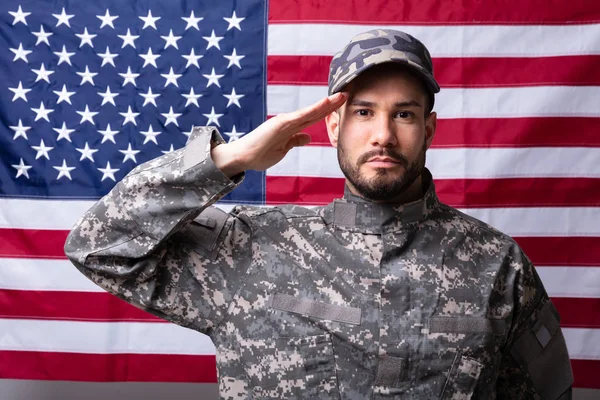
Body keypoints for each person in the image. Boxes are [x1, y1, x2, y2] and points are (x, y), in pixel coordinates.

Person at [64, 29, 574, 399]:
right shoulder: (250, 248)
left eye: (404, 113)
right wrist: (228, 159)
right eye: (363, 112)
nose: (383, 135)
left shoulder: (497, 265)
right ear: (333, 126)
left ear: (430, 129)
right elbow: (97, 245)